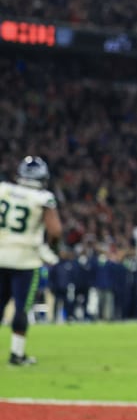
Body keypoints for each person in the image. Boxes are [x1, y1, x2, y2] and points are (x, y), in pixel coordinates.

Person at [0, 156, 62, 366]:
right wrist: (51, 248)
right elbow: (55, 230)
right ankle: (17, 354)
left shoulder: (3, 190)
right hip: (25, 259)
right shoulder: (42, 197)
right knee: (21, 308)